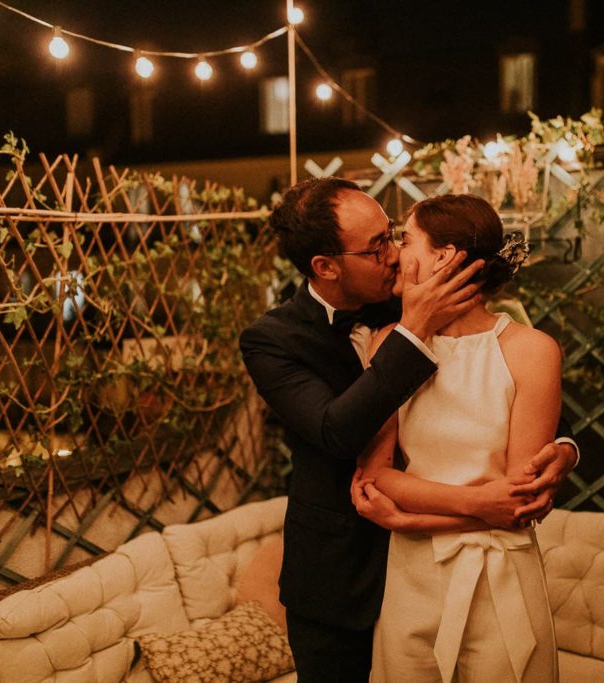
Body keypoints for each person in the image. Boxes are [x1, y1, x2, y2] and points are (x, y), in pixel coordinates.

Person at [239, 177, 577, 682]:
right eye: (377, 248)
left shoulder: (416, 295)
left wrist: (565, 448)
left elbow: (506, 384)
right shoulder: (273, 339)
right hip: (342, 575)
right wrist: (412, 330)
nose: (394, 256)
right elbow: (336, 431)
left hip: (441, 554)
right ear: (326, 267)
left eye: (393, 234)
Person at [352, 194, 562, 682]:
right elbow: (378, 474)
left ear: (443, 257)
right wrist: (477, 506)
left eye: (404, 240)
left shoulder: (532, 351)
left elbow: (515, 504)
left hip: (500, 578)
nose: (392, 254)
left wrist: (406, 520)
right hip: (412, 580)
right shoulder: (388, 345)